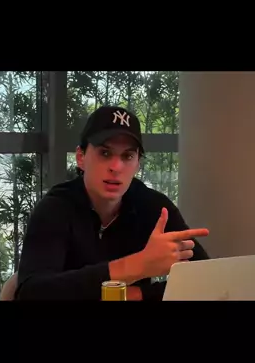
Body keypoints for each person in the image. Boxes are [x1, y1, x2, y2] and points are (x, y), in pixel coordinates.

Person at [15, 105, 209, 300]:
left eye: (127, 156)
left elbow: (205, 280)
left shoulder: (153, 207)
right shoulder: (55, 208)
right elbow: (31, 293)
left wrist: (135, 294)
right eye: (105, 153)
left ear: (137, 164)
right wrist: (138, 265)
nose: (116, 167)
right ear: (81, 157)